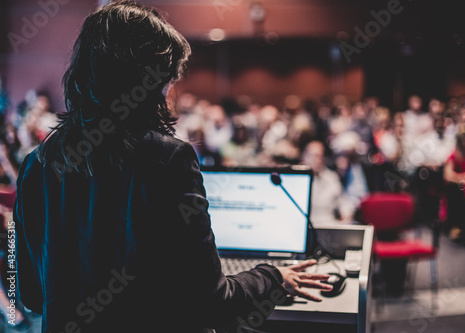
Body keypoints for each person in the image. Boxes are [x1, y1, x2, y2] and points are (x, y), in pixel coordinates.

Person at [14, 2, 332, 333]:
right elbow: (214, 303)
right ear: (145, 82)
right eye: (167, 79)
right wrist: (273, 276)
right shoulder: (168, 160)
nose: (169, 91)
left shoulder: (36, 164)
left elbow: (33, 296)